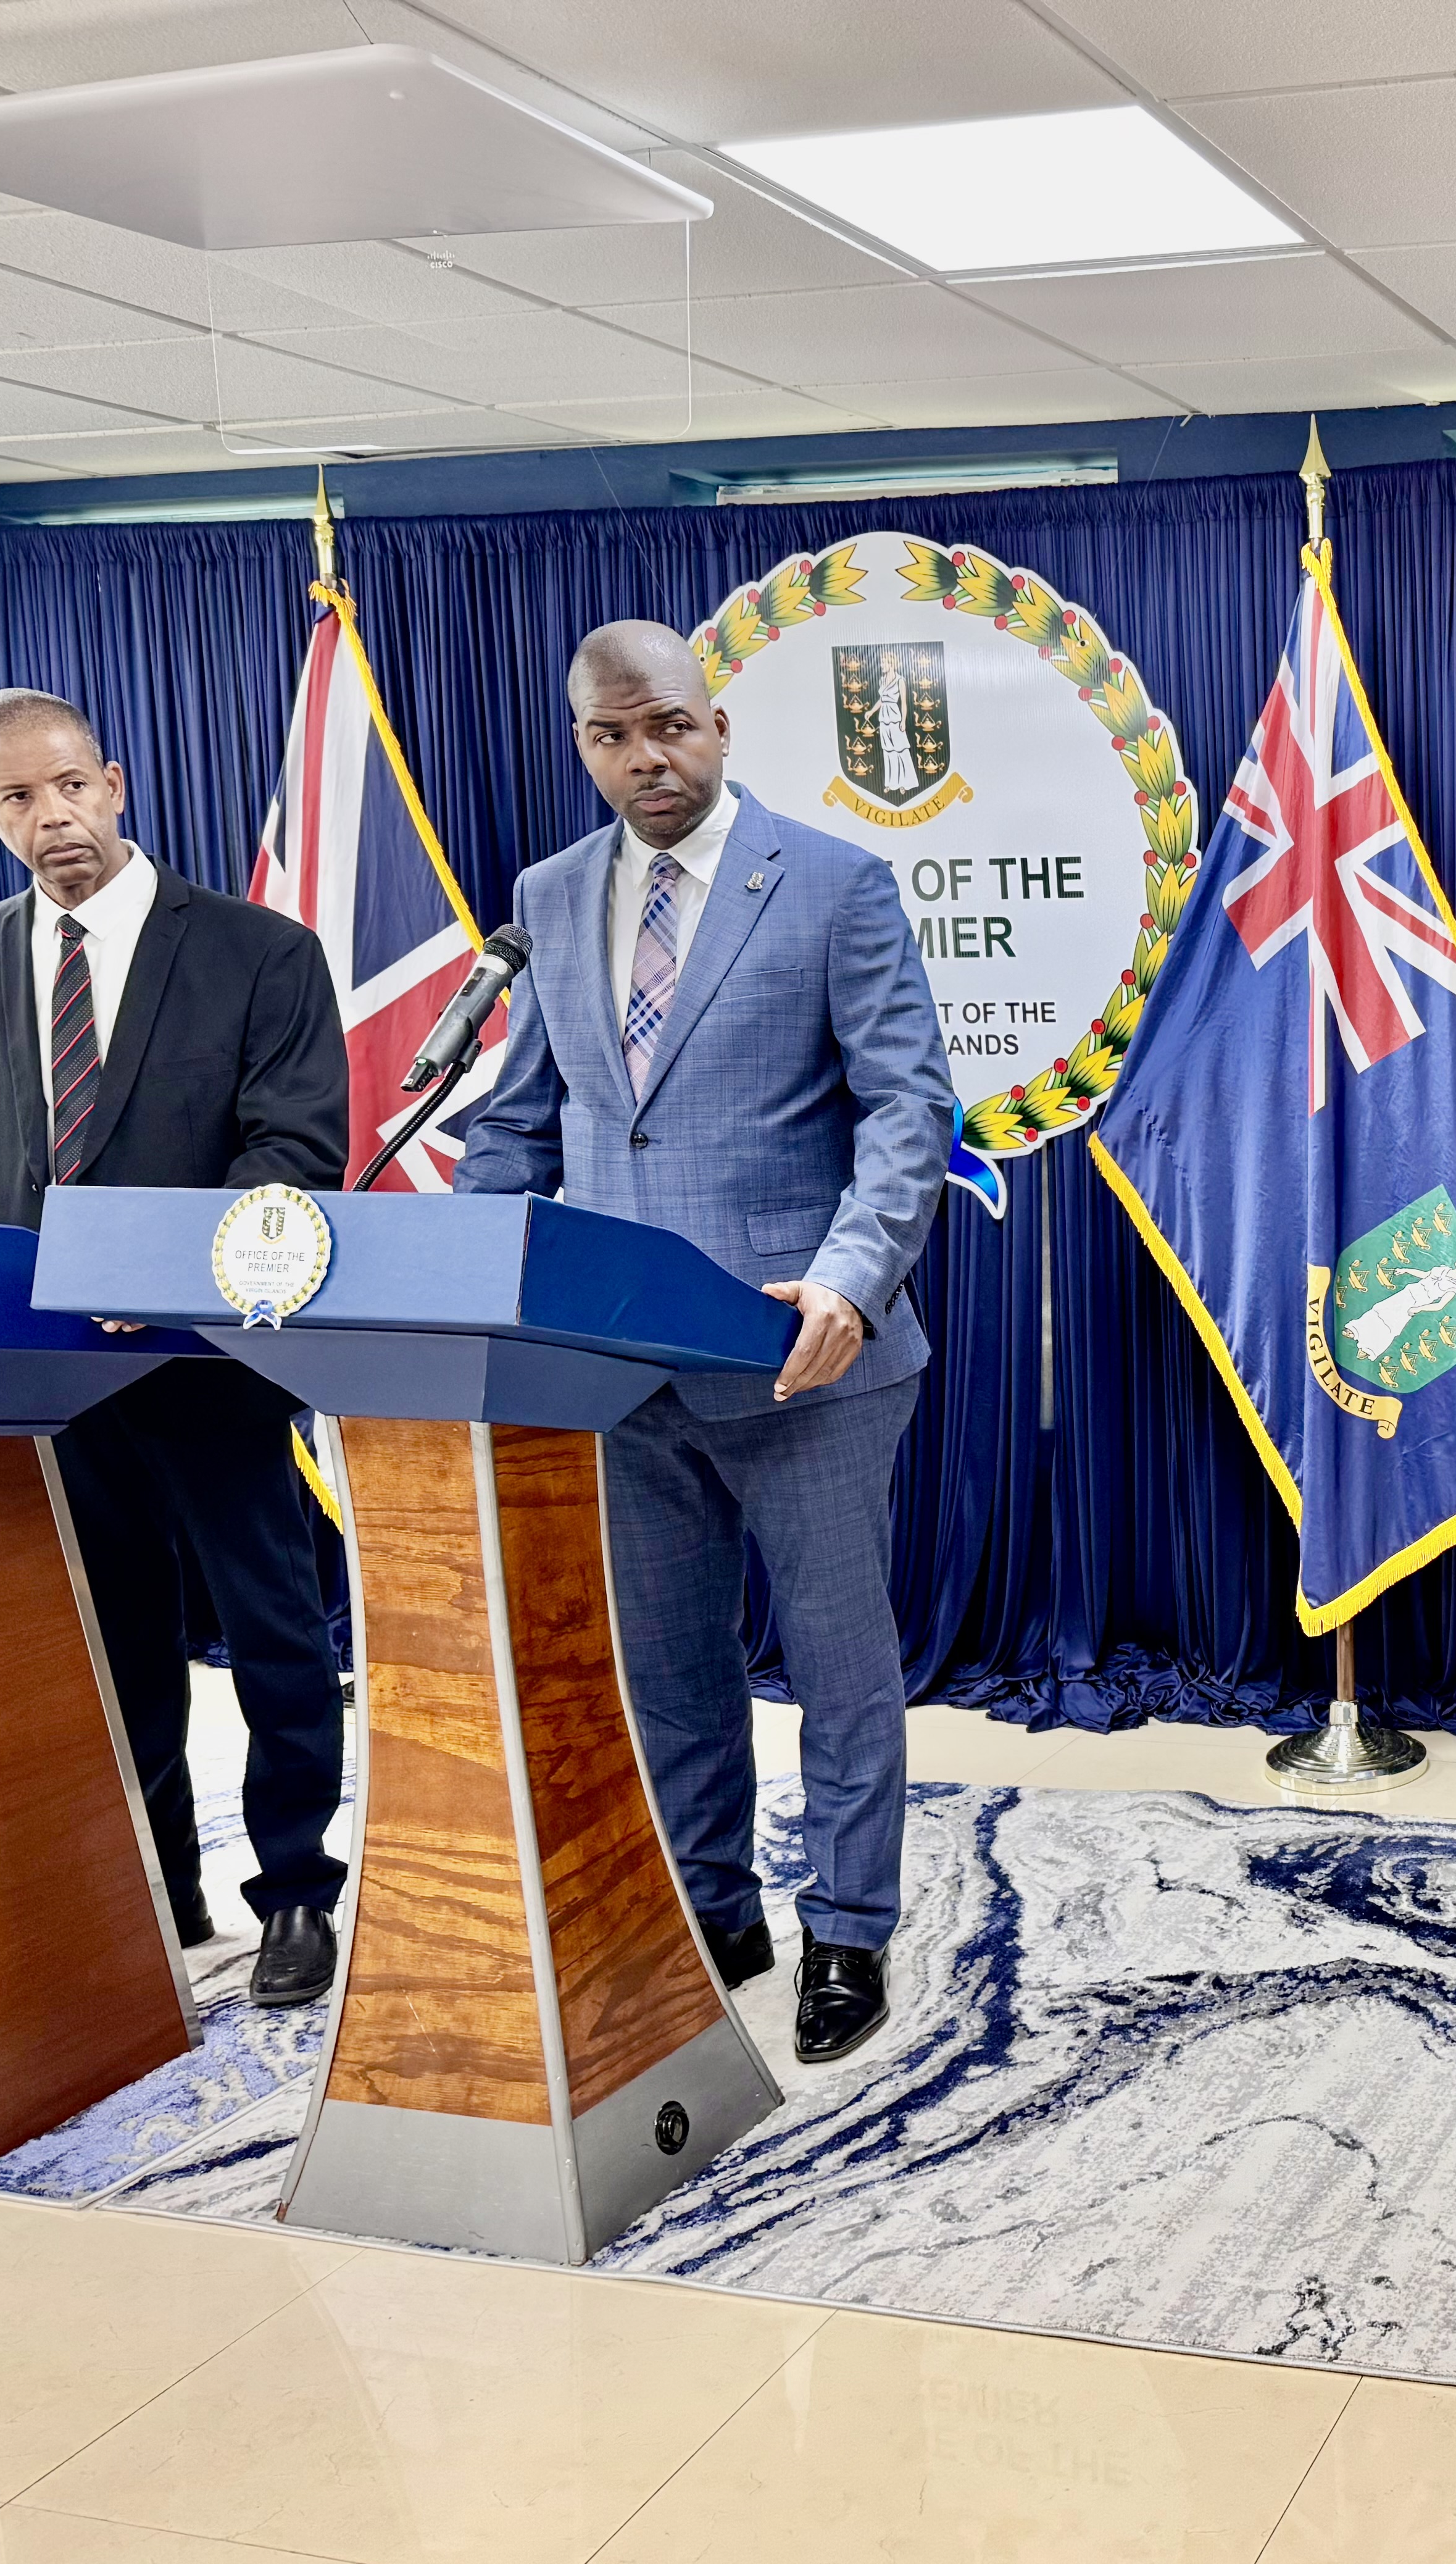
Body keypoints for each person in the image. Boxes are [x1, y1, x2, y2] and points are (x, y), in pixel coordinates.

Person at [458, 620, 955, 2065]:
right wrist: (468, 1261)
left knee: (837, 1667)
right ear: (583, 746)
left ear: (718, 724)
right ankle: (712, 1910)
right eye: (613, 736)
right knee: (670, 1668)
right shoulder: (550, 896)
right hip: (619, 1365)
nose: (647, 758)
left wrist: (852, 1282)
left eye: (669, 726)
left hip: (802, 1357)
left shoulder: (834, 883)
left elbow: (908, 1110)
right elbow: (522, 1121)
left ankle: (848, 1929)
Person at [0, 688, 352, 2006]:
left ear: (115, 783)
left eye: (71, 785)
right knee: (111, 1638)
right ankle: (157, 1888)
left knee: (273, 1631)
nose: (54, 816)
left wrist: (162, 1268)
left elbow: (294, 1155)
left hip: (211, 1360)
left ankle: (298, 1890)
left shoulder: (260, 950)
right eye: (19, 798)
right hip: (49, 1376)